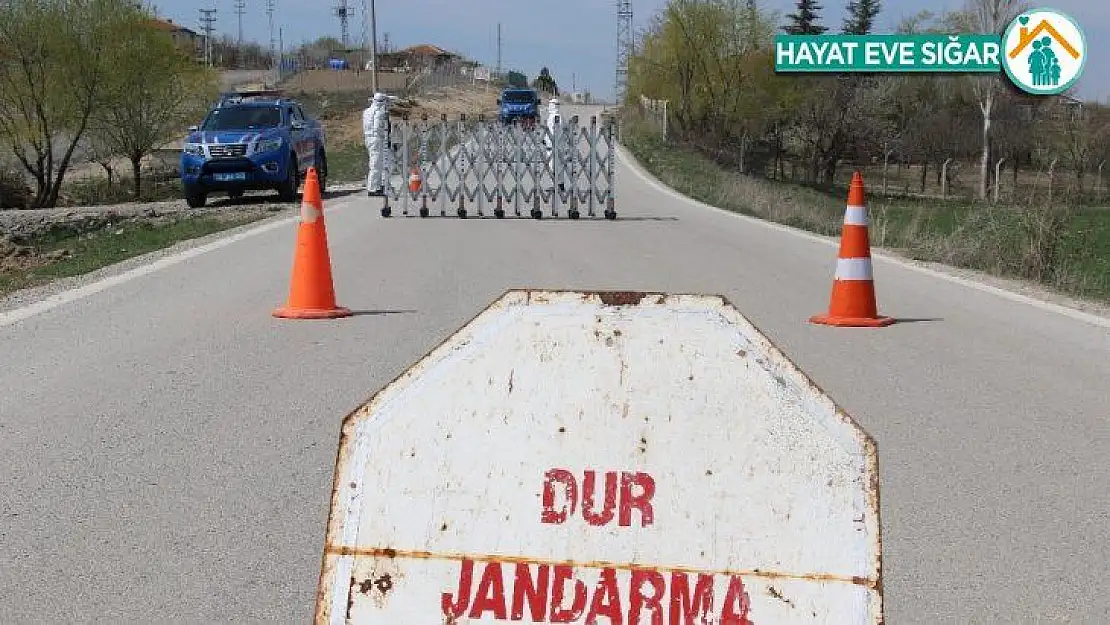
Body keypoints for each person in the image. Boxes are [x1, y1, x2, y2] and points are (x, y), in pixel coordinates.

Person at [363, 92, 393, 196]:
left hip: (368, 138)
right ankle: (372, 188)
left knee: (378, 163)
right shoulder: (379, 113)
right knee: (376, 164)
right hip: (376, 139)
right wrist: (385, 137)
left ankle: (378, 186)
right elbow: (377, 128)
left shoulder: (367, 111)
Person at [544, 97, 565, 193]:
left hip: (553, 146)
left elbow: (552, 131)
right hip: (559, 145)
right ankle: (560, 184)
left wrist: (548, 141)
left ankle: (555, 185)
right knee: (559, 165)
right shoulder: (560, 116)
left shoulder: (554, 117)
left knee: (553, 166)